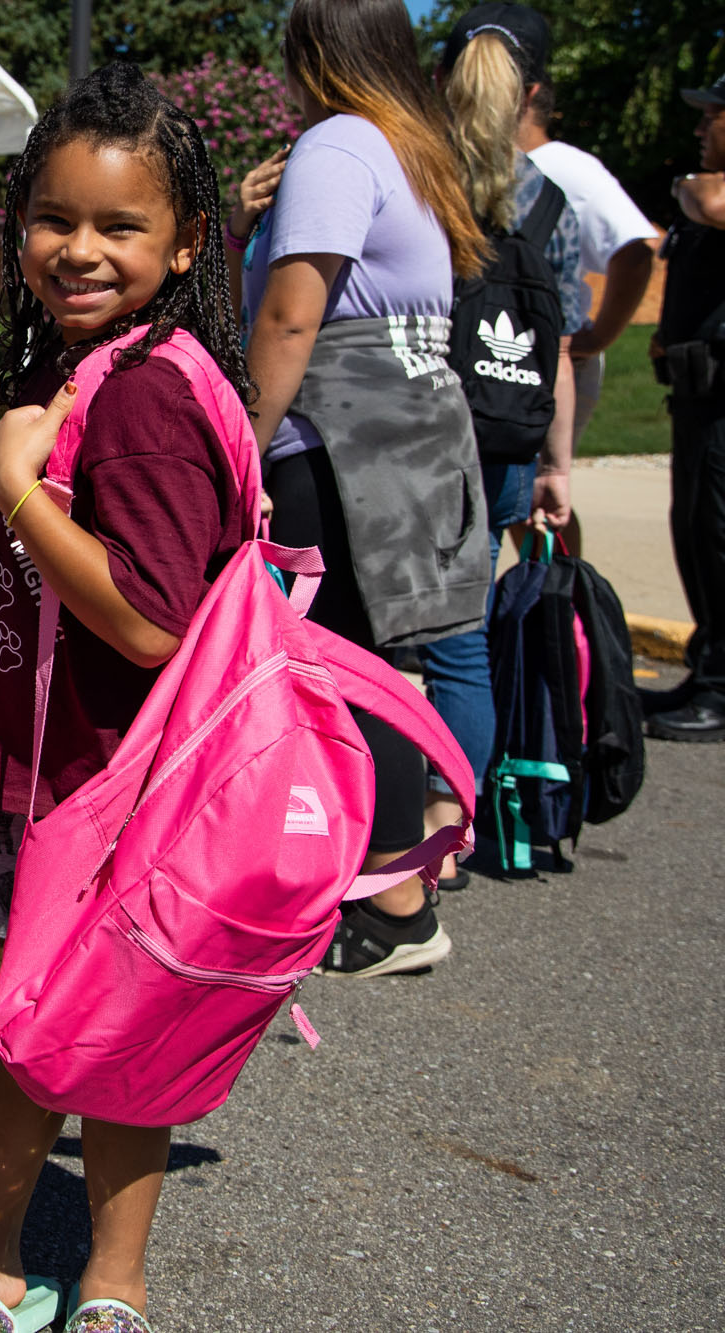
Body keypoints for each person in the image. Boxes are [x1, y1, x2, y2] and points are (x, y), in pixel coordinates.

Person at [0, 63, 250, 1333]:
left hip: (102, 773)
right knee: (112, 1015)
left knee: (44, 1015)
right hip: (104, 763)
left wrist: (17, 485)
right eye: (54, 219)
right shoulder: (126, 364)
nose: (78, 249)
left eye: (119, 227)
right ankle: (97, 1276)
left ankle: (3, 1255)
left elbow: (147, 617)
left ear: (183, 244)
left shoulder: (145, 393)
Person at [240, 0, 491, 977]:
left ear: (311, 51)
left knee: (339, 669)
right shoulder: (402, 148)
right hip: (406, 437)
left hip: (332, 447)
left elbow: (289, 320)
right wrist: (242, 223)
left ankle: (389, 901)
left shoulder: (336, 147)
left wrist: (242, 447)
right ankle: (394, 882)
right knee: (371, 669)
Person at [410, 9, 593, 886]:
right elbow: (554, 344)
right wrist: (556, 465)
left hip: (421, 440)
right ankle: (451, 823)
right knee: (463, 643)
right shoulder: (551, 199)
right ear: (530, 94)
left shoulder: (418, 178)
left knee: (387, 641)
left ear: (445, 82)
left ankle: (383, 817)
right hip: (509, 443)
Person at [504, 4, 659, 551]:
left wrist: (599, 337)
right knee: (519, 502)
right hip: (511, 353)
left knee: (536, 500)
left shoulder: (565, 167)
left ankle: (561, 614)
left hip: (551, 359)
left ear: (528, 95)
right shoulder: (494, 164)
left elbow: (636, 249)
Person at [646, 73, 725, 741]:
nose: (700, 128)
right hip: (698, 399)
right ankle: (709, 673)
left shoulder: (708, 191)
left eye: (713, 116)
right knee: (698, 536)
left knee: (720, 538)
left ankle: (722, 689)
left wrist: (685, 189)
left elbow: (710, 199)